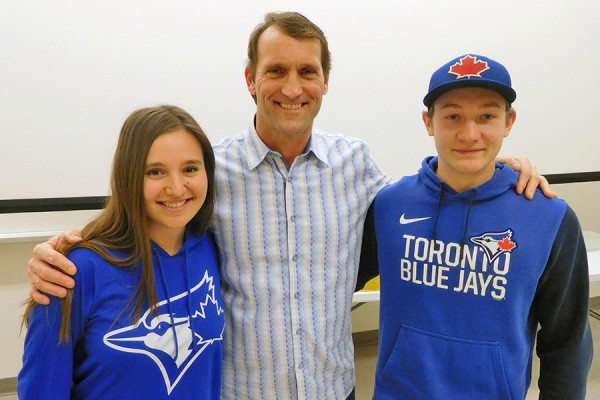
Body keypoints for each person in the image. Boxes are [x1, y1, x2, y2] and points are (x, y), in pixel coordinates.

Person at [26, 14, 553, 400]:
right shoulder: (211, 171)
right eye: (276, 70)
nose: (293, 88)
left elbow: (432, 194)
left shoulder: (356, 163)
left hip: (334, 390)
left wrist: (494, 161)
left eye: (308, 71)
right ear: (251, 79)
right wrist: (66, 247)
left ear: (325, 82)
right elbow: (151, 211)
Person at [361, 54, 593, 399]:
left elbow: (568, 343)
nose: (470, 134)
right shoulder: (389, 205)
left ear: (508, 122)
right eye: (453, 116)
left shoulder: (550, 217)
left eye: (487, 116)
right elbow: (331, 285)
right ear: (429, 122)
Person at [18, 105, 224, 399]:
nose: (177, 188)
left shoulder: (212, 246)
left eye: (190, 169)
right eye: (155, 172)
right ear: (128, 177)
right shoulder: (71, 271)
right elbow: (41, 390)